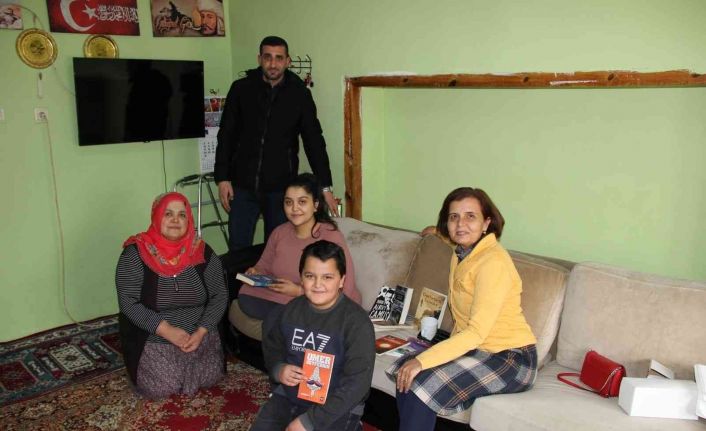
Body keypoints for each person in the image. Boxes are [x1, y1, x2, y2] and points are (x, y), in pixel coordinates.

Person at [387, 187, 538, 430]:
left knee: (419, 383)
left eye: (470, 216)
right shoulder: (465, 252)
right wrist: (437, 232)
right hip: (478, 349)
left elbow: (476, 333)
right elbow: (455, 236)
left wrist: (422, 361)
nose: (461, 224)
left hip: (511, 358)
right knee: (405, 372)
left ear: (486, 222)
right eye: (453, 217)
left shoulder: (493, 262)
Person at [215, 35, 339, 251]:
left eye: (279, 58)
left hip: (280, 190)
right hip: (242, 186)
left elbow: (314, 141)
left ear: (287, 61)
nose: (273, 64)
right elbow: (226, 135)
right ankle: (240, 276)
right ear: (259, 59)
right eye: (268, 57)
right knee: (238, 248)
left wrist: (325, 187)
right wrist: (222, 177)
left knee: (277, 249)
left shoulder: (299, 94)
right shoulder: (241, 89)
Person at [250, 240, 375, 431]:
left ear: (342, 280)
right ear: (301, 278)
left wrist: (309, 421)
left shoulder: (357, 323)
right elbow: (273, 346)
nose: (317, 285)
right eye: (310, 276)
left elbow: (357, 384)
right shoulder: (290, 310)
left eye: (327, 277)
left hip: (337, 405)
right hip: (289, 395)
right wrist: (279, 369)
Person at [116, 192, 228, 399]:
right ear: (156, 217)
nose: (176, 220)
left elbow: (219, 295)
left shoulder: (203, 252)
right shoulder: (135, 253)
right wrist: (167, 330)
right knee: (163, 387)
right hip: (155, 334)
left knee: (210, 377)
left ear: (189, 220)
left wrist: (201, 331)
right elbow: (128, 303)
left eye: (182, 215)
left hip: (199, 335)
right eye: (168, 214)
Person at [238, 173, 360, 324]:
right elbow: (264, 264)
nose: (294, 208)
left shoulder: (330, 236)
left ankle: (288, 318)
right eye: (288, 202)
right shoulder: (279, 232)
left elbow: (346, 283)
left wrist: (298, 291)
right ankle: (287, 317)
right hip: (281, 295)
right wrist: (256, 271)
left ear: (315, 205)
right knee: (246, 293)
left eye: (302, 202)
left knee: (311, 308)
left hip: (315, 297)